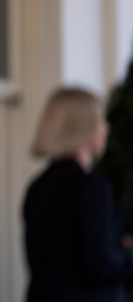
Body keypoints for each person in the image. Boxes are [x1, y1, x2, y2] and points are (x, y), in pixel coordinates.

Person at [23, 87, 133, 302]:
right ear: (84, 127)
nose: (106, 129)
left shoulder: (37, 187)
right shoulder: (91, 187)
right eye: (100, 121)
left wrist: (118, 249)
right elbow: (99, 266)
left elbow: (59, 258)